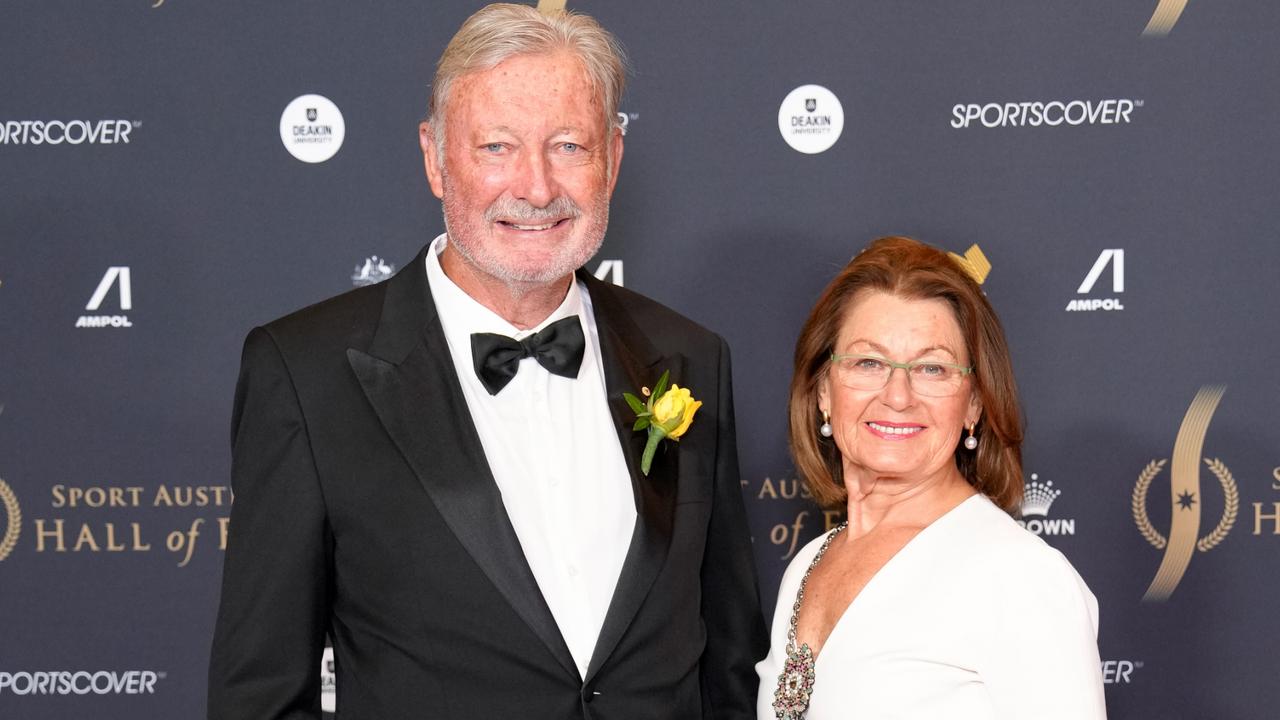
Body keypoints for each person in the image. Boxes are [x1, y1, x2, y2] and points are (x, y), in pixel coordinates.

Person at [208, 5, 765, 719]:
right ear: (435, 158)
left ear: (613, 160)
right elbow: (260, 694)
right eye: (497, 147)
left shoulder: (690, 357)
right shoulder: (307, 372)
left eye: (569, 145)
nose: (535, 187)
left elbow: (728, 668)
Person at [755, 237, 1105, 719]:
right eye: (868, 362)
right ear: (822, 392)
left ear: (975, 404)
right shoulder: (807, 566)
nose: (898, 395)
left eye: (932, 368)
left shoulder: (1021, 577)